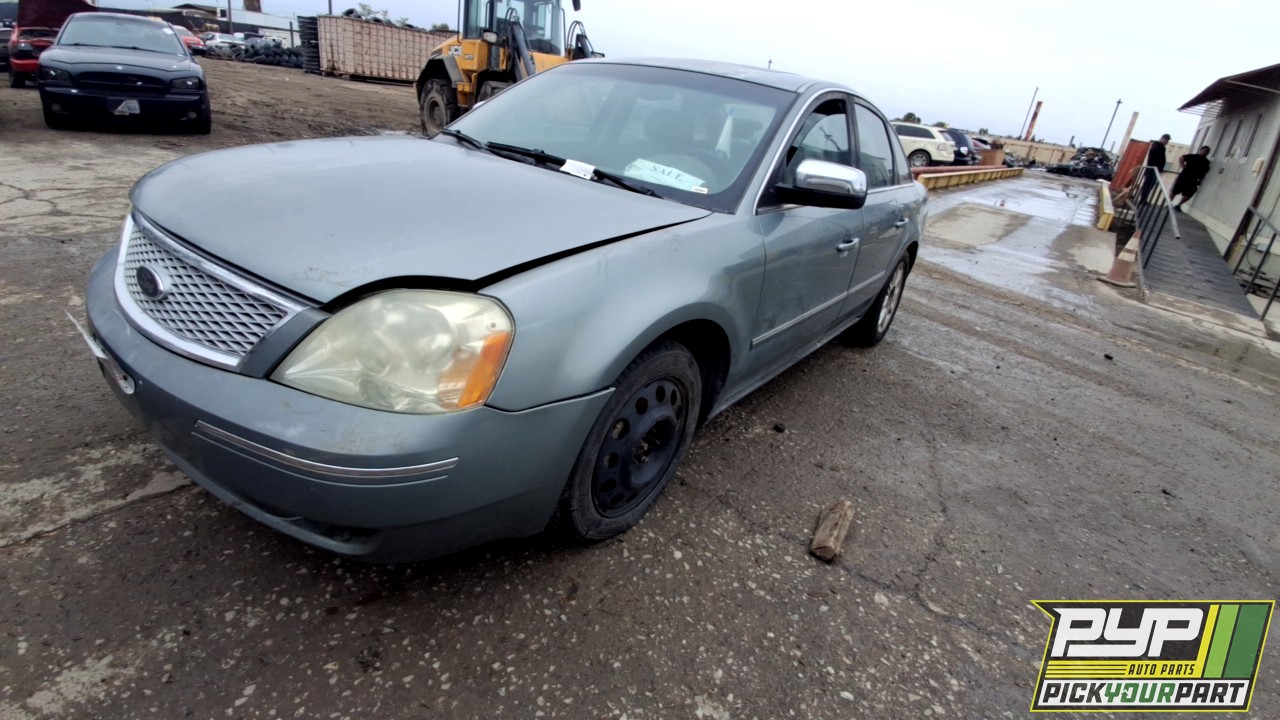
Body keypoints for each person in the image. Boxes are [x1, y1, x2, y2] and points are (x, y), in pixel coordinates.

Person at [1170, 146, 1211, 212]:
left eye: (1207, 151)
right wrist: (1183, 167)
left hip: (1193, 179)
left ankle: (1178, 205)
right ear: (1201, 150)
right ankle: (1169, 204)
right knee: (1175, 190)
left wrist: (1200, 180)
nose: (1205, 152)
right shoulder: (1193, 156)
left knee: (1189, 193)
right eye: (1204, 150)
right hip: (1184, 176)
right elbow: (1182, 158)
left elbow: (1204, 172)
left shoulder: (1206, 162)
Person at [1140, 134, 1171, 204]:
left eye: (1167, 140)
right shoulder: (1157, 146)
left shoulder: (1159, 146)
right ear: (1162, 139)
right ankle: (1143, 200)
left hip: (1154, 169)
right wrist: (1157, 166)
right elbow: (1155, 158)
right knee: (1148, 185)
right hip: (1152, 169)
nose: (1166, 141)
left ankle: (1144, 199)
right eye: (1166, 140)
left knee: (1149, 185)